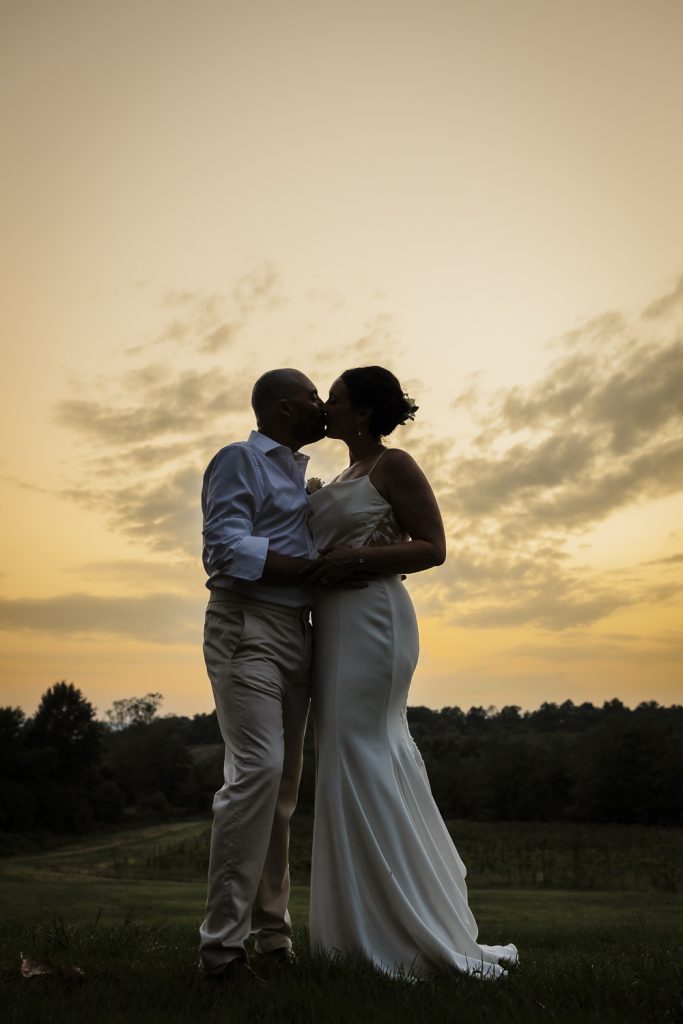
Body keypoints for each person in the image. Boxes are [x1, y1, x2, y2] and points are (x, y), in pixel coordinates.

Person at [301, 366, 518, 979]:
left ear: (364, 412)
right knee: (343, 754)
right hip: (333, 624)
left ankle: (403, 926)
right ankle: (357, 925)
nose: (326, 408)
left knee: (363, 749)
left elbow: (432, 546)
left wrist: (355, 557)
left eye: (335, 399)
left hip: (374, 620)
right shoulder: (343, 474)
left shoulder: (393, 466)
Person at [198, 368, 325, 984]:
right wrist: (315, 569)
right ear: (283, 407)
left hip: (297, 631)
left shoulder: (301, 478)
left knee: (282, 790)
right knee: (258, 773)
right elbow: (223, 548)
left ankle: (274, 939)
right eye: (312, 396)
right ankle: (220, 951)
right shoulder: (239, 460)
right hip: (245, 625)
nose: (321, 405)